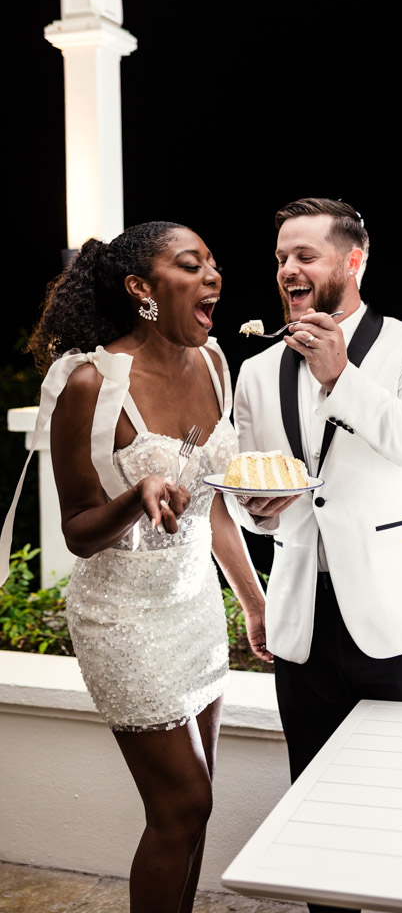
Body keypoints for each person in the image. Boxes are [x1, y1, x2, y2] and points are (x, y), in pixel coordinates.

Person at [0, 221, 271, 913]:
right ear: (140, 289)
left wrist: (252, 599)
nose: (212, 275)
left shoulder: (214, 361)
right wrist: (135, 496)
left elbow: (210, 506)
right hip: (122, 618)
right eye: (190, 264)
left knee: (194, 805)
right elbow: (79, 529)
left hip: (194, 605)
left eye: (213, 261)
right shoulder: (90, 383)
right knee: (183, 801)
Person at [229, 197, 402, 913]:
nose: (288, 270)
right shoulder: (257, 370)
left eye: (305, 254)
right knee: (317, 809)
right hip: (303, 619)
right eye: (279, 259)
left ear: (353, 260)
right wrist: (256, 510)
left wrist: (339, 376)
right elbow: (254, 491)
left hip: (401, 618)